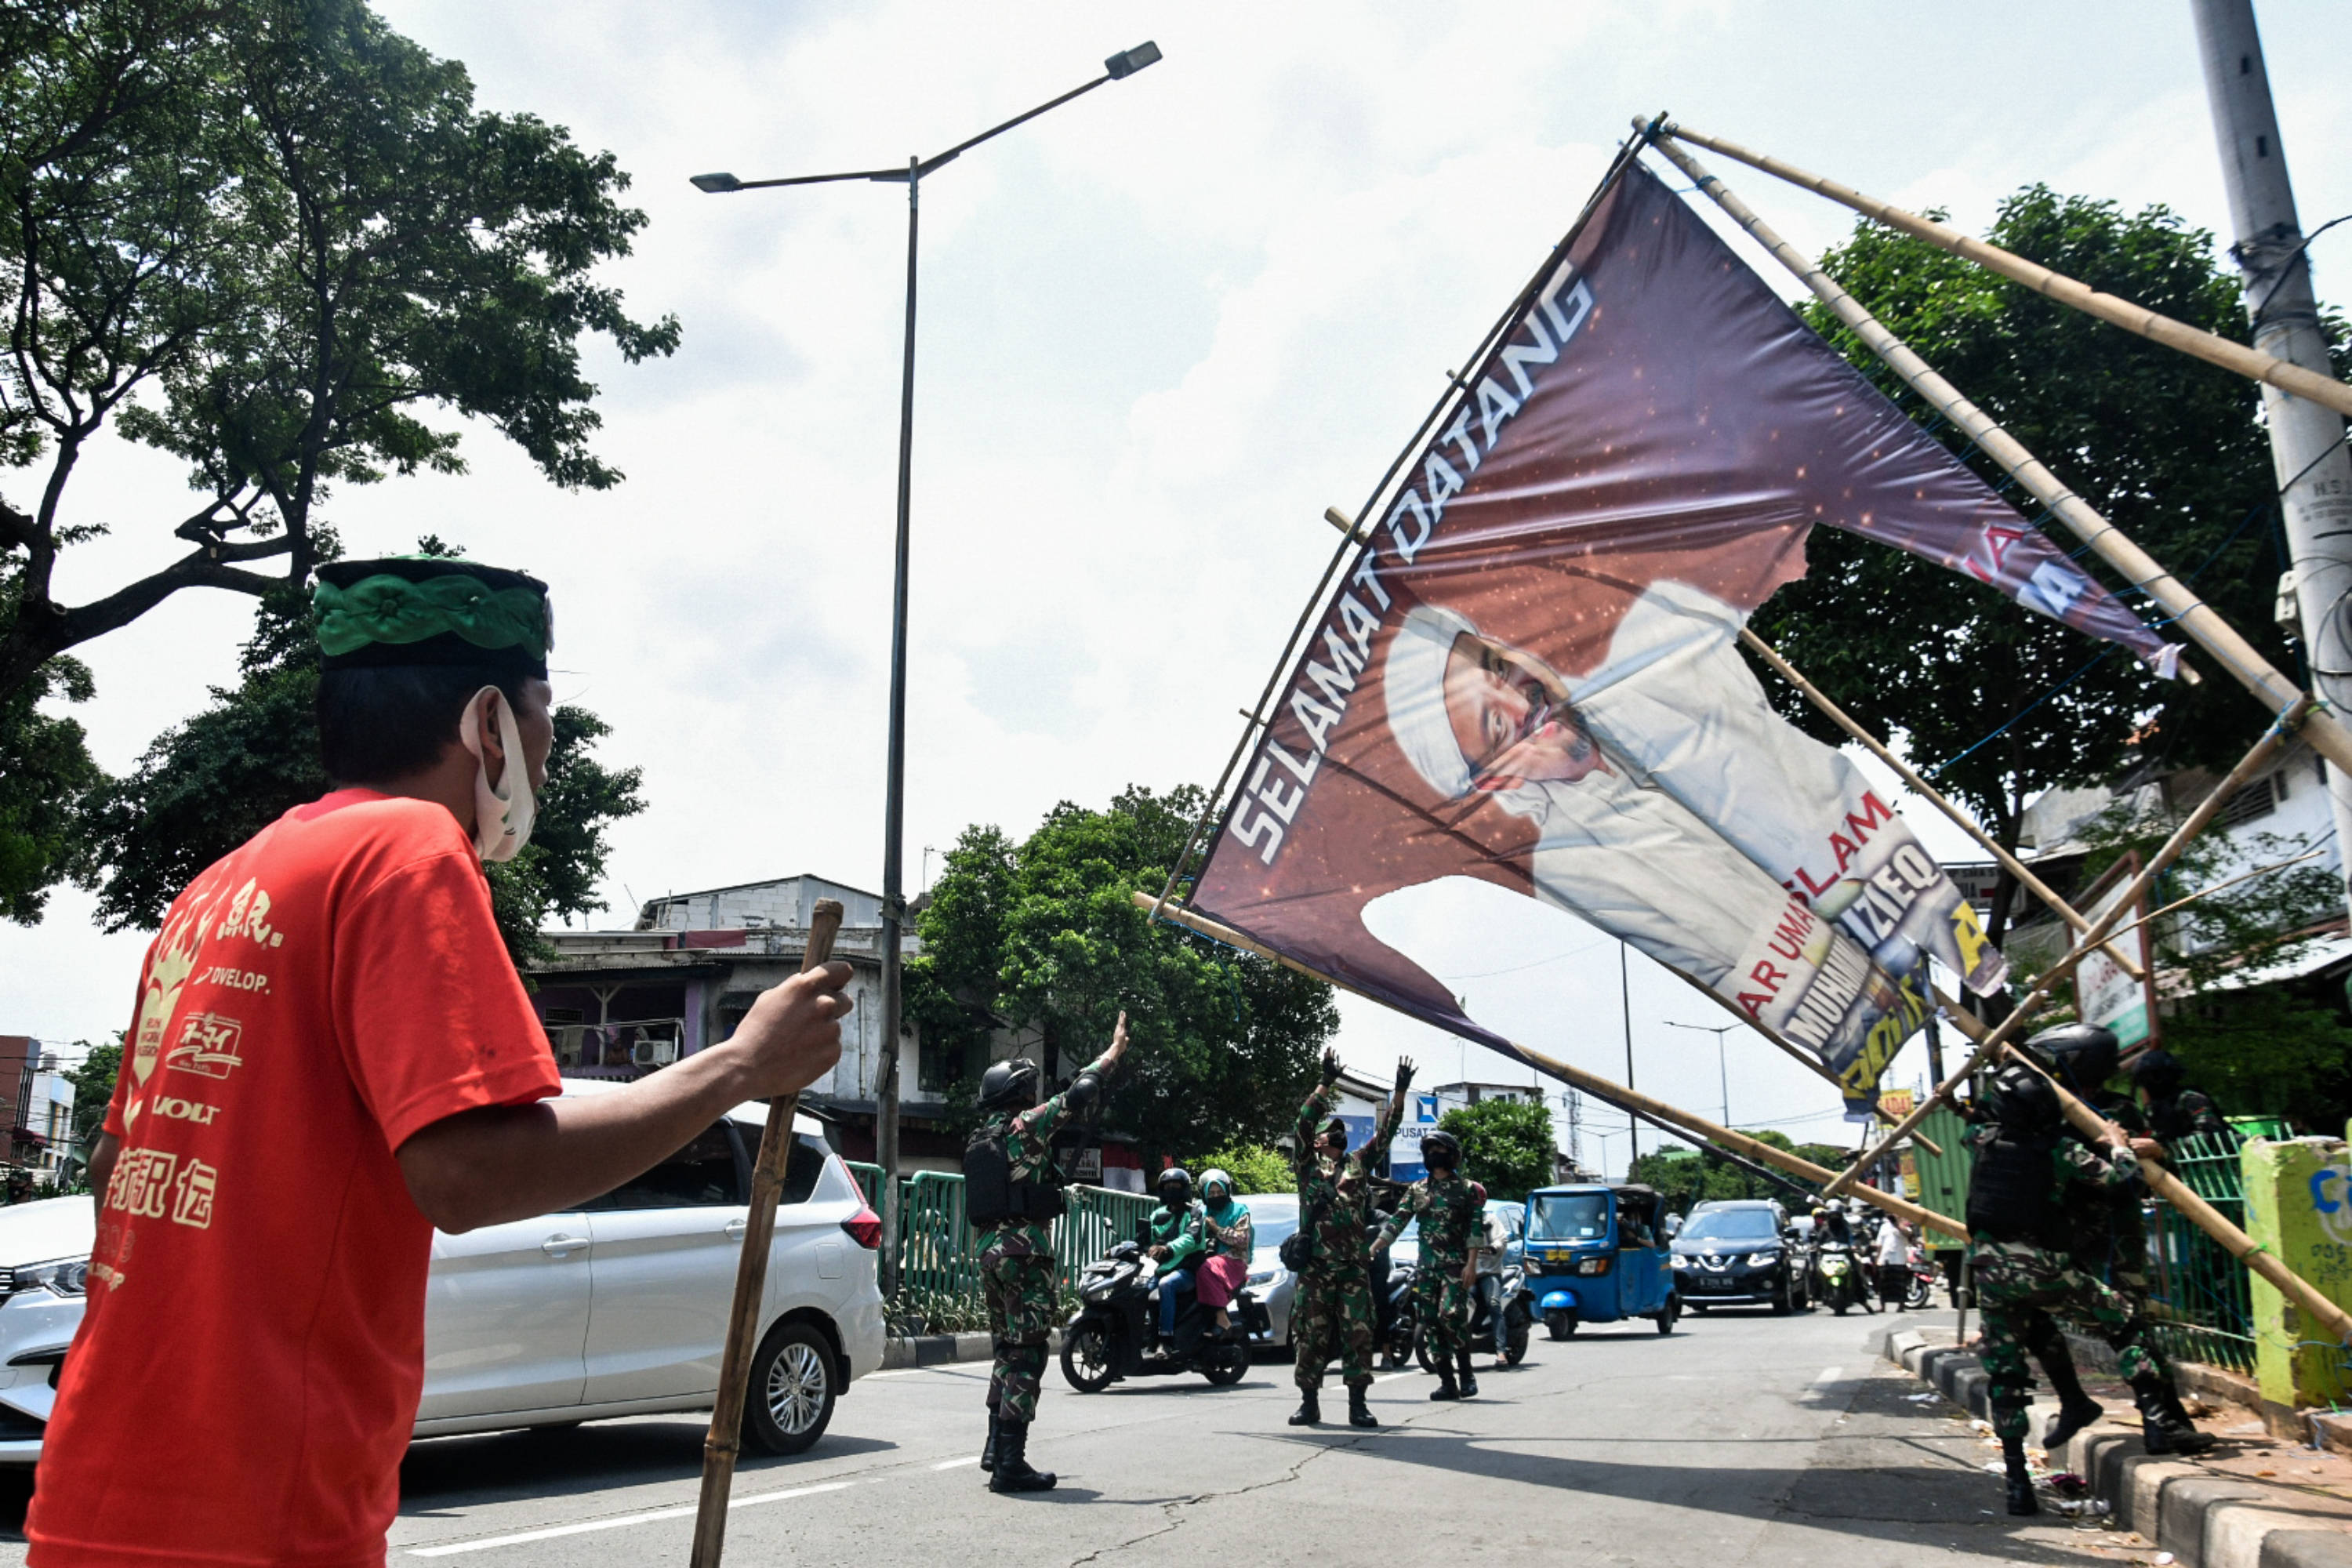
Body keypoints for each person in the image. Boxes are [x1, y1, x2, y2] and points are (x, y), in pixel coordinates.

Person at [25, 557, 854, 1567]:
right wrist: (738, 1065)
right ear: (489, 720)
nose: (550, 753)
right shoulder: (410, 852)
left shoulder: (224, 883)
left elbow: (118, 1170)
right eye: (548, 713)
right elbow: (468, 1170)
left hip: (93, 1485)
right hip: (258, 1505)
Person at [1965, 1060, 2209, 1520]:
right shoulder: (2059, 1149)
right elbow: (2124, 1183)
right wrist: (2118, 1146)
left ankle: (2018, 1485)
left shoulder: (1982, 1142)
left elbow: (1978, 1117)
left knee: (2006, 1374)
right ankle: (2156, 1423)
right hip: (2046, 1267)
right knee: (2126, 1320)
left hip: (1991, 1275)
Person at [967, 1015, 1128, 1494]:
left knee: (1005, 1351)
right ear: (1019, 1094)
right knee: (1028, 1353)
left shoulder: (981, 1138)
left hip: (988, 1253)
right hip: (1024, 1253)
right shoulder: (1025, 1127)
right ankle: (1010, 1464)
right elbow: (1079, 1094)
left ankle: (996, 1446)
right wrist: (1114, 1051)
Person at [1289, 1050, 1410, 1428]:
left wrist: (1400, 1091)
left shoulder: (1359, 1163)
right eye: (1329, 1130)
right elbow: (1302, 1123)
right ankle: (1309, 1402)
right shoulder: (1307, 1165)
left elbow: (1387, 1133)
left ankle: (1358, 1403)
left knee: (1359, 1335)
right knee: (1311, 1335)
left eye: (1339, 1131)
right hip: (1316, 1267)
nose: (1333, 1134)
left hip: (1353, 1267)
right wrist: (1325, 1083)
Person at [1374, 1127, 1486, 1399]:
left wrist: (1471, 1265)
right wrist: (1374, 1248)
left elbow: (1474, 1229)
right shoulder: (1418, 1189)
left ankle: (1467, 1375)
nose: (1435, 1155)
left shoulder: (1467, 1190)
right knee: (1430, 1321)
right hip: (1426, 1268)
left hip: (1456, 1266)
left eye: (1441, 1151)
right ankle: (1447, 1382)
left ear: (1453, 1156)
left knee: (1451, 1316)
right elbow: (1398, 1221)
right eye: (1430, 1151)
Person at [1145, 1166, 1207, 1345]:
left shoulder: (1194, 1213)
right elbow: (1146, 1237)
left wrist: (1167, 1249)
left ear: (1185, 1188)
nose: (1172, 1189)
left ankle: (1166, 1339)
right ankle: (1145, 1334)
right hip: (1162, 1269)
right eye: (1167, 1186)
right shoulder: (1158, 1215)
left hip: (1187, 1269)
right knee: (1140, 1290)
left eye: (1176, 1186)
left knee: (1167, 1285)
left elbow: (1191, 1239)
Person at [1194, 1169, 1254, 1336]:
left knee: (1207, 1267)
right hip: (1205, 1259)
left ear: (1227, 1191)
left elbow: (1241, 1240)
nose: (1215, 1196)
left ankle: (1222, 1319)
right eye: (1211, 1193)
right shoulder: (1200, 1212)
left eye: (1220, 1192)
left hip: (1233, 1261)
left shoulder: (1239, 1211)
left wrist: (1216, 1228)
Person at [2129, 1049, 2232, 1145]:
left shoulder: (2190, 1099)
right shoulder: (2152, 1109)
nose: (2148, 1084)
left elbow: (2213, 1136)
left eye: (2154, 1076)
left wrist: (2170, 1148)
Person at [1874, 1214, 1912, 1308]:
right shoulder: (1884, 1227)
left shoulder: (1904, 1227)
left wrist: (1897, 1224)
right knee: (1884, 1284)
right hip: (1885, 1258)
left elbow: (1908, 1234)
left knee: (1900, 1284)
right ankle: (1882, 1306)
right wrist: (1878, 1258)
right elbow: (1880, 1244)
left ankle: (1901, 1306)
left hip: (1899, 1259)